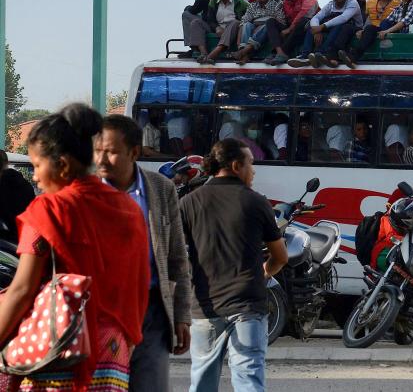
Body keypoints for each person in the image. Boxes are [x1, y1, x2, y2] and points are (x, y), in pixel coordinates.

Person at [0, 104, 149, 391]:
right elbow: (138, 284)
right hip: (113, 350)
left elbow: (21, 290)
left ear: (63, 164)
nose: (34, 177)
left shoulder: (49, 209)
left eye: (37, 165)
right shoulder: (129, 209)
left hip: (58, 346)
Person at [179, 139, 288, 392]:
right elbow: (280, 256)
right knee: (249, 379)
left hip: (205, 307)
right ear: (236, 165)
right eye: (251, 163)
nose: (254, 170)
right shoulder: (257, 202)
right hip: (248, 305)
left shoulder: (189, 202)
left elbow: (175, 254)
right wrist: (264, 272)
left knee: (202, 381)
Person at [94, 115, 192, 392]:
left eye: (111, 152)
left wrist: (182, 314)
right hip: (100, 314)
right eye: (97, 150)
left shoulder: (161, 189)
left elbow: (176, 257)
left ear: (134, 152)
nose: (101, 159)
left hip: (151, 312)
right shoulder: (84, 194)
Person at [288, 0, 363, 68]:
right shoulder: (330, 5)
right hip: (334, 30)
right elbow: (316, 18)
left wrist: (322, 27)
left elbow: (343, 18)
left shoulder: (352, 2)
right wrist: (317, 30)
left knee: (339, 24)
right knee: (311, 27)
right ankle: (305, 55)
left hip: (351, 31)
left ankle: (322, 53)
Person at [337, 0, 401, 69]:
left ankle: (353, 56)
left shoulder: (398, 3)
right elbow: (365, 19)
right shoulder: (370, 1)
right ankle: (334, 54)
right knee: (347, 27)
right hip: (368, 30)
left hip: (385, 32)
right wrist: (360, 30)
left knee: (371, 28)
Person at [189, 0, 249, 64]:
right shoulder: (213, 0)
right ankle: (203, 53)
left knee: (236, 22)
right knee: (196, 22)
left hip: (233, 31)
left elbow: (244, 22)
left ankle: (214, 53)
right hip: (217, 29)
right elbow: (210, 20)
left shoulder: (242, 3)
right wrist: (217, 27)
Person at [265, 0, 319, 66]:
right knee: (271, 21)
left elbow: (305, 13)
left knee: (303, 21)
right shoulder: (286, 2)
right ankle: (279, 53)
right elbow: (284, 19)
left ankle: (284, 52)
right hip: (293, 28)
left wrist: (289, 29)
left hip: (308, 28)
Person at [233, 0, 287, 64]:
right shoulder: (252, 5)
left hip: (269, 32)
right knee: (246, 25)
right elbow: (243, 22)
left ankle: (245, 52)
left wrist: (260, 25)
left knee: (267, 24)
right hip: (254, 33)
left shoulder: (277, 3)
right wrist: (239, 44)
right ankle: (244, 53)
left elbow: (280, 22)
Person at [371, 196, 413, 271]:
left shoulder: (401, 225)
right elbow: (391, 237)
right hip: (382, 254)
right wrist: (410, 242)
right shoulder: (387, 219)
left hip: (396, 253)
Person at [0, 150, 35, 243]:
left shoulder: (3, 187)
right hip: (28, 239)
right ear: (6, 163)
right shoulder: (26, 185)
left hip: (8, 243)